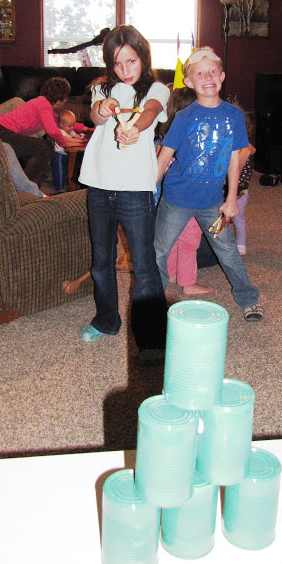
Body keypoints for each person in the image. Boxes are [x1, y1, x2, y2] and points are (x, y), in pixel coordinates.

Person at [77, 24, 170, 358]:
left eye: (131, 61)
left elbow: (151, 112)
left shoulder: (157, 88)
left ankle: (152, 336)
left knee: (144, 266)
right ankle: (106, 321)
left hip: (134, 189)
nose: (125, 70)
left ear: (143, 57)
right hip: (99, 186)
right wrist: (102, 109)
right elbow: (96, 116)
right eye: (117, 63)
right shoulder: (102, 88)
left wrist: (134, 129)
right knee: (101, 262)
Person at [153, 47, 263, 322]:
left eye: (213, 71)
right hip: (176, 200)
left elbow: (234, 159)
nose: (208, 77)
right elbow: (164, 158)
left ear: (222, 76)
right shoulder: (183, 118)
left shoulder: (233, 116)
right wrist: (146, 190)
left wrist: (231, 199)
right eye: (200, 74)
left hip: (212, 203)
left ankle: (249, 299)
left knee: (228, 251)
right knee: (159, 251)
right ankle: (153, 300)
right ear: (189, 82)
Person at [157, 87, 213, 296]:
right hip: (190, 198)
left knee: (171, 239)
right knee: (190, 241)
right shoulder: (195, 138)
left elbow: (159, 163)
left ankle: (172, 273)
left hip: (170, 198)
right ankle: (188, 283)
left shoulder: (165, 135)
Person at [0, 77, 84, 187]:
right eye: (66, 97)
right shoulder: (43, 104)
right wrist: (64, 142)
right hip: (0, 132)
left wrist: (87, 129)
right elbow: (52, 131)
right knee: (43, 148)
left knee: (40, 147)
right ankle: (27, 189)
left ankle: (27, 187)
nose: (66, 100)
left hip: (2, 132)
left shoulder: (44, 106)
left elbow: (62, 122)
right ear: (60, 99)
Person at [232, 108, 256, 255]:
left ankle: (241, 244)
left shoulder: (244, 149)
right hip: (224, 191)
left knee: (238, 218)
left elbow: (241, 173)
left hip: (240, 191)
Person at [51, 109, 84, 192]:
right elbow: (69, 141)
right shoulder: (61, 132)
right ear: (61, 125)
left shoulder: (70, 131)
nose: (72, 128)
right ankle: (59, 187)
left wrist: (81, 137)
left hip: (65, 154)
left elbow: (76, 136)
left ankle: (65, 182)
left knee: (66, 169)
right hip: (58, 155)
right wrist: (79, 141)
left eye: (73, 125)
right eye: (69, 126)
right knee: (59, 171)